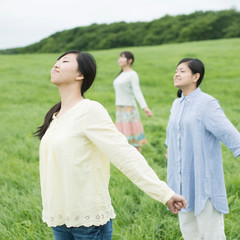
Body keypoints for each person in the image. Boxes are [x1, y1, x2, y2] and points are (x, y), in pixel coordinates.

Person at [35, 50, 187, 240]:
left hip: (88, 223)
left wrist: (165, 193)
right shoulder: (56, 117)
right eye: (56, 61)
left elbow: (125, 155)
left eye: (64, 61)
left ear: (80, 75)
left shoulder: (90, 110)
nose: (56, 64)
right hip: (59, 219)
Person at [165, 58, 240, 240]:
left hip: (203, 178)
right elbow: (172, 135)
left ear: (196, 76)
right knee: (189, 231)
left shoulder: (207, 103)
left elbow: (229, 133)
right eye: (176, 70)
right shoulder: (177, 104)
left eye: (182, 71)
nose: (177, 74)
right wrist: (171, 150)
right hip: (181, 181)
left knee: (211, 232)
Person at [113, 51, 153, 152]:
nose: (120, 59)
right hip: (120, 109)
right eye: (120, 57)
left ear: (130, 60)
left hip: (129, 109)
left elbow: (137, 92)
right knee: (123, 138)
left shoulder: (132, 74)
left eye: (123, 57)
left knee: (133, 138)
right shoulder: (121, 74)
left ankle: (138, 162)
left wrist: (145, 107)